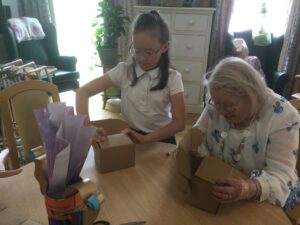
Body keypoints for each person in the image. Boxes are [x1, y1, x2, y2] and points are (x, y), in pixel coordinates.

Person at [192, 57, 300, 212]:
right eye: (217, 104)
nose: (220, 113)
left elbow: (282, 176)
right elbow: (197, 135)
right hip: (220, 190)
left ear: (252, 95)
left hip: (266, 199)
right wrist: (194, 150)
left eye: (229, 106)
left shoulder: (282, 116)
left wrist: (248, 188)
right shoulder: (218, 100)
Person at [76, 10, 185, 145]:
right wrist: (87, 128)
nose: (141, 58)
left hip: (162, 139)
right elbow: (82, 92)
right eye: (136, 51)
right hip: (131, 136)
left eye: (148, 52)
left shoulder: (173, 78)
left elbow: (179, 123)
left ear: (165, 47)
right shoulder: (124, 71)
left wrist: (147, 139)